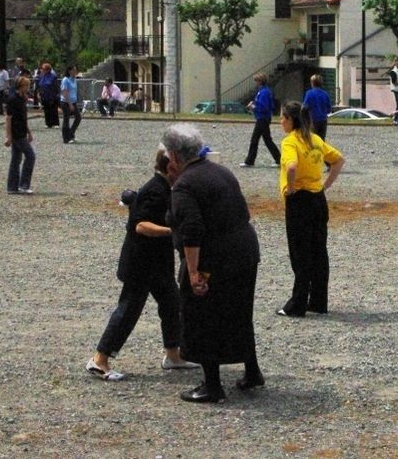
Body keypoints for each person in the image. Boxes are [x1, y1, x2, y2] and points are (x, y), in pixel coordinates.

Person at [163, 123, 264, 403]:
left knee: (202, 314)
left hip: (215, 256)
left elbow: (191, 228)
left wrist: (193, 272)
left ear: (173, 156)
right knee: (239, 311)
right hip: (245, 249)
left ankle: (212, 385)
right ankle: (252, 371)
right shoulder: (221, 171)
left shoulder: (185, 184)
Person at [86, 146, 198, 381]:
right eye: (182, 166)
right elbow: (140, 225)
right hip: (140, 263)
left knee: (171, 304)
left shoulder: (166, 188)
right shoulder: (154, 190)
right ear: (170, 167)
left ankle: (173, 355)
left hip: (157, 264)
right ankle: (99, 359)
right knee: (128, 310)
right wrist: (173, 231)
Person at [276, 100, 345, 317]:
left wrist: (290, 187)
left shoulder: (290, 142)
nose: (280, 121)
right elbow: (338, 160)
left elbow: (292, 165)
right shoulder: (314, 139)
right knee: (318, 251)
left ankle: (297, 304)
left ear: (290, 120)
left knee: (300, 253)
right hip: (318, 199)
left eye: (282, 117)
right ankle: (318, 301)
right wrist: (326, 184)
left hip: (300, 200)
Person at [240, 72, 281, 167]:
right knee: (267, 140)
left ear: (260, 81)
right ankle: (278, 158)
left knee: (255, 139)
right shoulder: (264, 91)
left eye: (256, 81)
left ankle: (250, 161)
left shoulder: (264, 92)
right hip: (263, 118)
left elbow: (264, 107)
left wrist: (253, 107)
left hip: (262, 118)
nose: (256, 82)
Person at [5, 76, 35, 194]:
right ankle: (23, 184)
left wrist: (29, 132)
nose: (28, 88)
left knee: (16, 159)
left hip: (22, 131)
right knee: (30, 156)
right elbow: (8, 118)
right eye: (26, 86)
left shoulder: (23, 99)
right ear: (20, 86)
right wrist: (8, 136)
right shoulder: (12, 99)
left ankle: (12, 187)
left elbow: (23, 118)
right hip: (16, 133)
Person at [301, 74, 332, 140]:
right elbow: (329, 109)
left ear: (312, 83)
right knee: (321, 140)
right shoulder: (325, 94)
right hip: (323, 120)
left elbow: (305, 107)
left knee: (312, 140)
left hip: (313, 120)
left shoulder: (309, 93)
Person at [60, 65, 82, 144]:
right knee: (66, 120)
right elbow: (64, 92)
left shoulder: (74, 79)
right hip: (66, 102)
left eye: (76, 70)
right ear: (69, 71)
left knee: (78, 117)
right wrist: (70, 104)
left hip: (73, 101)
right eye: (74, 70)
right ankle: (66, 139)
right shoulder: (66, 80)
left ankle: (71, 134)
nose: (75, 72)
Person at [38, 62, 60, 128]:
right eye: (42, 69)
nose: (42, 70)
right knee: (46, 109)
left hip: (52, 95)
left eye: (43, 69)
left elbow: (56, 87)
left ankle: (56, 123)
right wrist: (39, 92)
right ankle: (48, 123)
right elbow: (39, 84)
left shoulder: (53, 76)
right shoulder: (41, 76)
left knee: (53, 109)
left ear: (48, 69)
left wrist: (56, 95)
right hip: (44, 94)